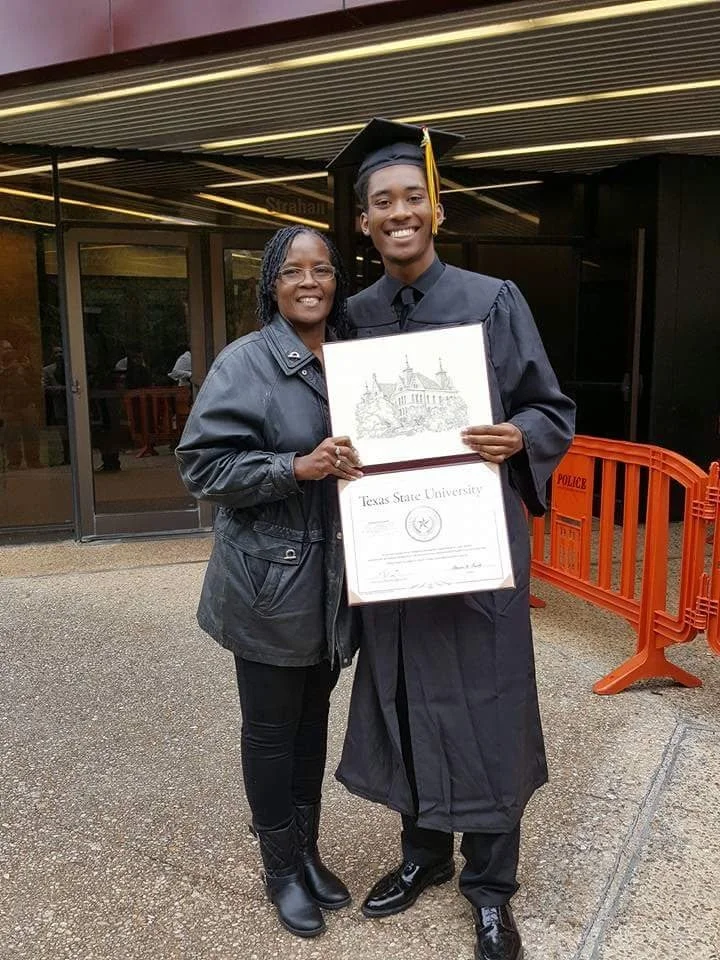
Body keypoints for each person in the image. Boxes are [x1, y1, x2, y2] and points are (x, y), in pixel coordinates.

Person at [327, 119, 576, 960]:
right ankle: (423, 854)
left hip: (475, 550)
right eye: (380, 203)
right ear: (363, 222)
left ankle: (492, 887)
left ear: (434, 208)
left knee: (487, 703)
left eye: (411, 198)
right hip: (396, 551)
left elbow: (552, 408)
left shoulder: (492, 298)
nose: (398, 213)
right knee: (403, 694)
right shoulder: (352, 319)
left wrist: (520, 436)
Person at [175, 226, 363, 939]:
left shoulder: (352, 360)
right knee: (270, 730)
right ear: (272, 285)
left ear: (336, 280)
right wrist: (295, 467)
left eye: (321, 269)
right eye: (293, 271)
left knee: (313, 722)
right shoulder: (245, 363)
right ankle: (279, 867)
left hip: (331, 580)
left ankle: (308, 852)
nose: (309, 281)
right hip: (268, 582)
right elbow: (202, 468)